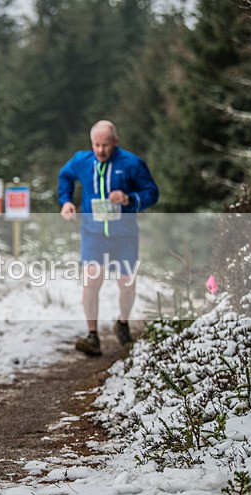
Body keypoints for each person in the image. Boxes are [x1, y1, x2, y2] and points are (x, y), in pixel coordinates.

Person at [58, 120, 158, 356]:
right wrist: (66, 201)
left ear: (116, 142)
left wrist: (129, 198)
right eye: (96, 145)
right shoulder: (82, 161)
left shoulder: (132, 163)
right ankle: (92, 336)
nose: (101, 150)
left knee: (127, 284)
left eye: (106, 145)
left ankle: (122, 323)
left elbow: (151, 193)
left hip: (124, 235)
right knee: (92, 282)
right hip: (93, 234)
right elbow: (65, 176)